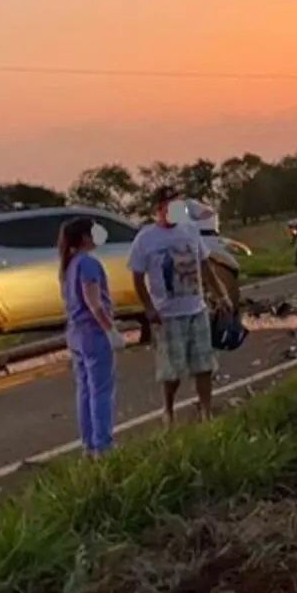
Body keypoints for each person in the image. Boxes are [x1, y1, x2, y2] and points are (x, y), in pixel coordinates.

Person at [128, 186, 231, 429]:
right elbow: (137, 277)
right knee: (171, 371)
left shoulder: (190, 232)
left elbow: (205, 267)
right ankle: (168, 411)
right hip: (167, 315)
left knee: (204, 365)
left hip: (196, 309)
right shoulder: (146, 238)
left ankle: (206, 411)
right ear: (159, 209)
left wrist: (222, 295)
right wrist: (149, 308)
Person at [58, 217, 125, 457]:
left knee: (85, 390)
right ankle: (103, 446)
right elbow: (94, 304)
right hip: (93, 333)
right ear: (86, 237)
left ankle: (89, 444)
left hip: (76, 333)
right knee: (101, 391)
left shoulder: (70, 265)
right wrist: (111, 330)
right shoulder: (87, 264)